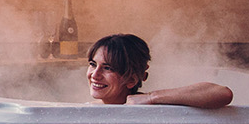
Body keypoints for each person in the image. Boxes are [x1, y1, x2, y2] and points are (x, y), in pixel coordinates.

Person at [85, 34, 234, 108]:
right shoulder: (92, 107)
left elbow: (223, 93)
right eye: (93, 64)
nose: (95, 75)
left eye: (107, 68)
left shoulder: (150, 108)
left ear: (131, 80)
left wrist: (151, 97)